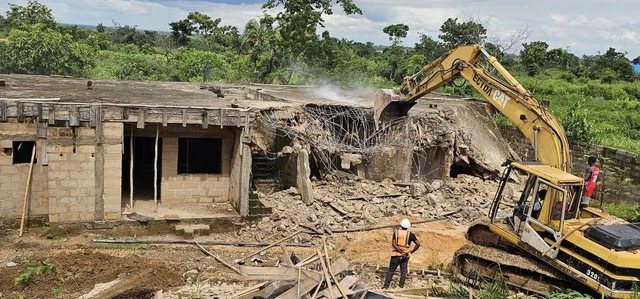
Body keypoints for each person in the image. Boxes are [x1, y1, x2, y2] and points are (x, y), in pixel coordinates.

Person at [382, 218, 420, 289]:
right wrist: (411, 251)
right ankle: (400, 287)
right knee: (403, 272)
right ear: (408, 226)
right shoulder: (411, 235)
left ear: (401, 225)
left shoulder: (396, 233)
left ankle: (385, 286)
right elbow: (418, 244)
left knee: (390, 270)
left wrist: (399, 250)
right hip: (405, 256)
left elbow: (393, 243)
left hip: (396, 255)